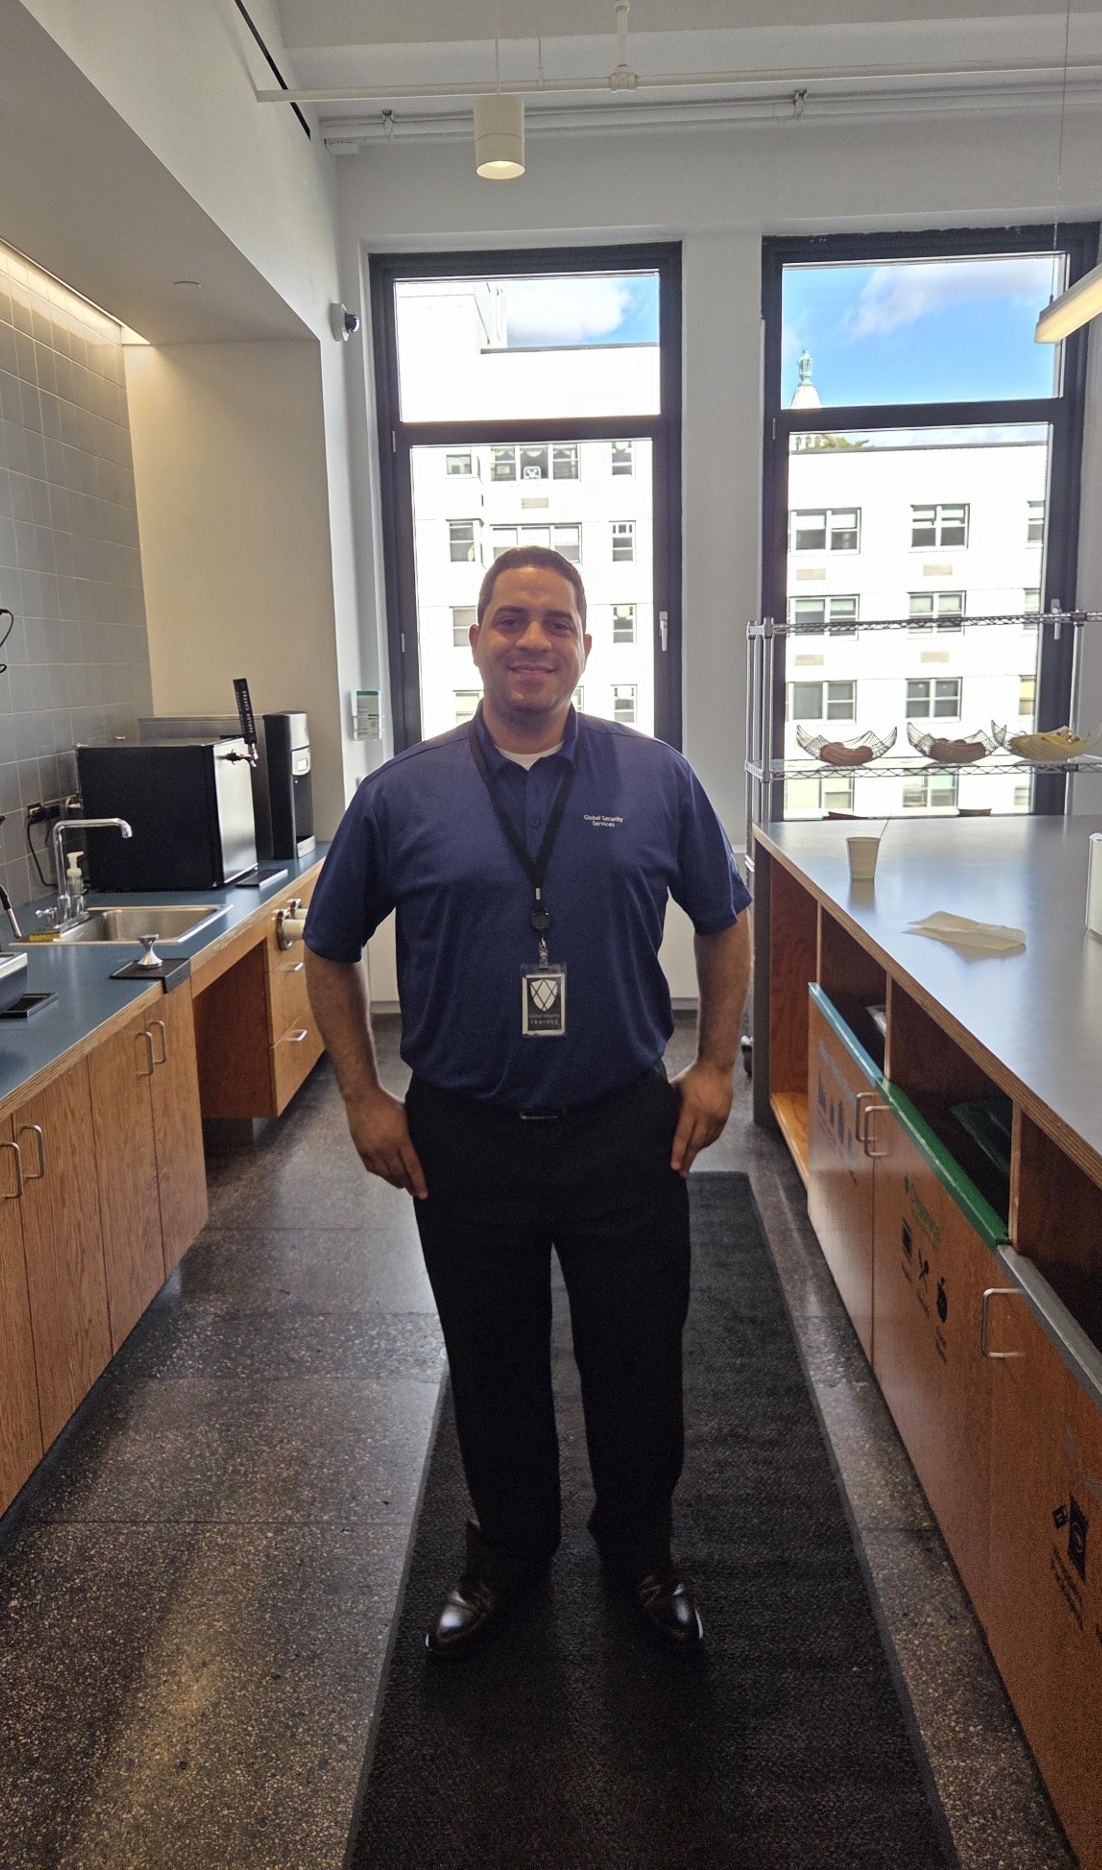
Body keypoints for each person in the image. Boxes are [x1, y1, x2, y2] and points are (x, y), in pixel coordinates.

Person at [303, 545, 751, 1660]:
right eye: (511, 620)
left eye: (556, 622)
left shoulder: (656, 779)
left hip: (623, 1128)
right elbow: (328, 945)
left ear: (586, 645)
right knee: (490, 1357)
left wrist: (717, 1067)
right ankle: (508, 1551)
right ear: (476, 641)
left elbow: (725, 919)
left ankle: (642, 1552)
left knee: (637, 1358)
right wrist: (361, 1096)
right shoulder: (401, 795)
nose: (533, 641)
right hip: (465, 1135)